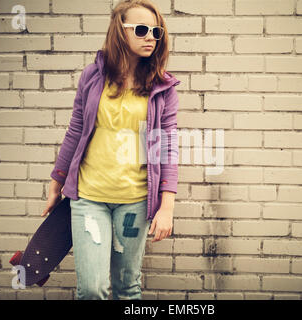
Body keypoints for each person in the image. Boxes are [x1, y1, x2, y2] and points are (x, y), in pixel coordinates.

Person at [41, 0, 181, 300]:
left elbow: (166, 149)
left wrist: (166, 208)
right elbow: (76, 131)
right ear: (120, 31)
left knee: (127, 289)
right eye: (141, 30)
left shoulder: (162, 88)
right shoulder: (93, 77)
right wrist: (57, 182)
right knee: (92, 290)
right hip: (90, 199)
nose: (150, 37)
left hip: (135, 203)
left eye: (156, 31)